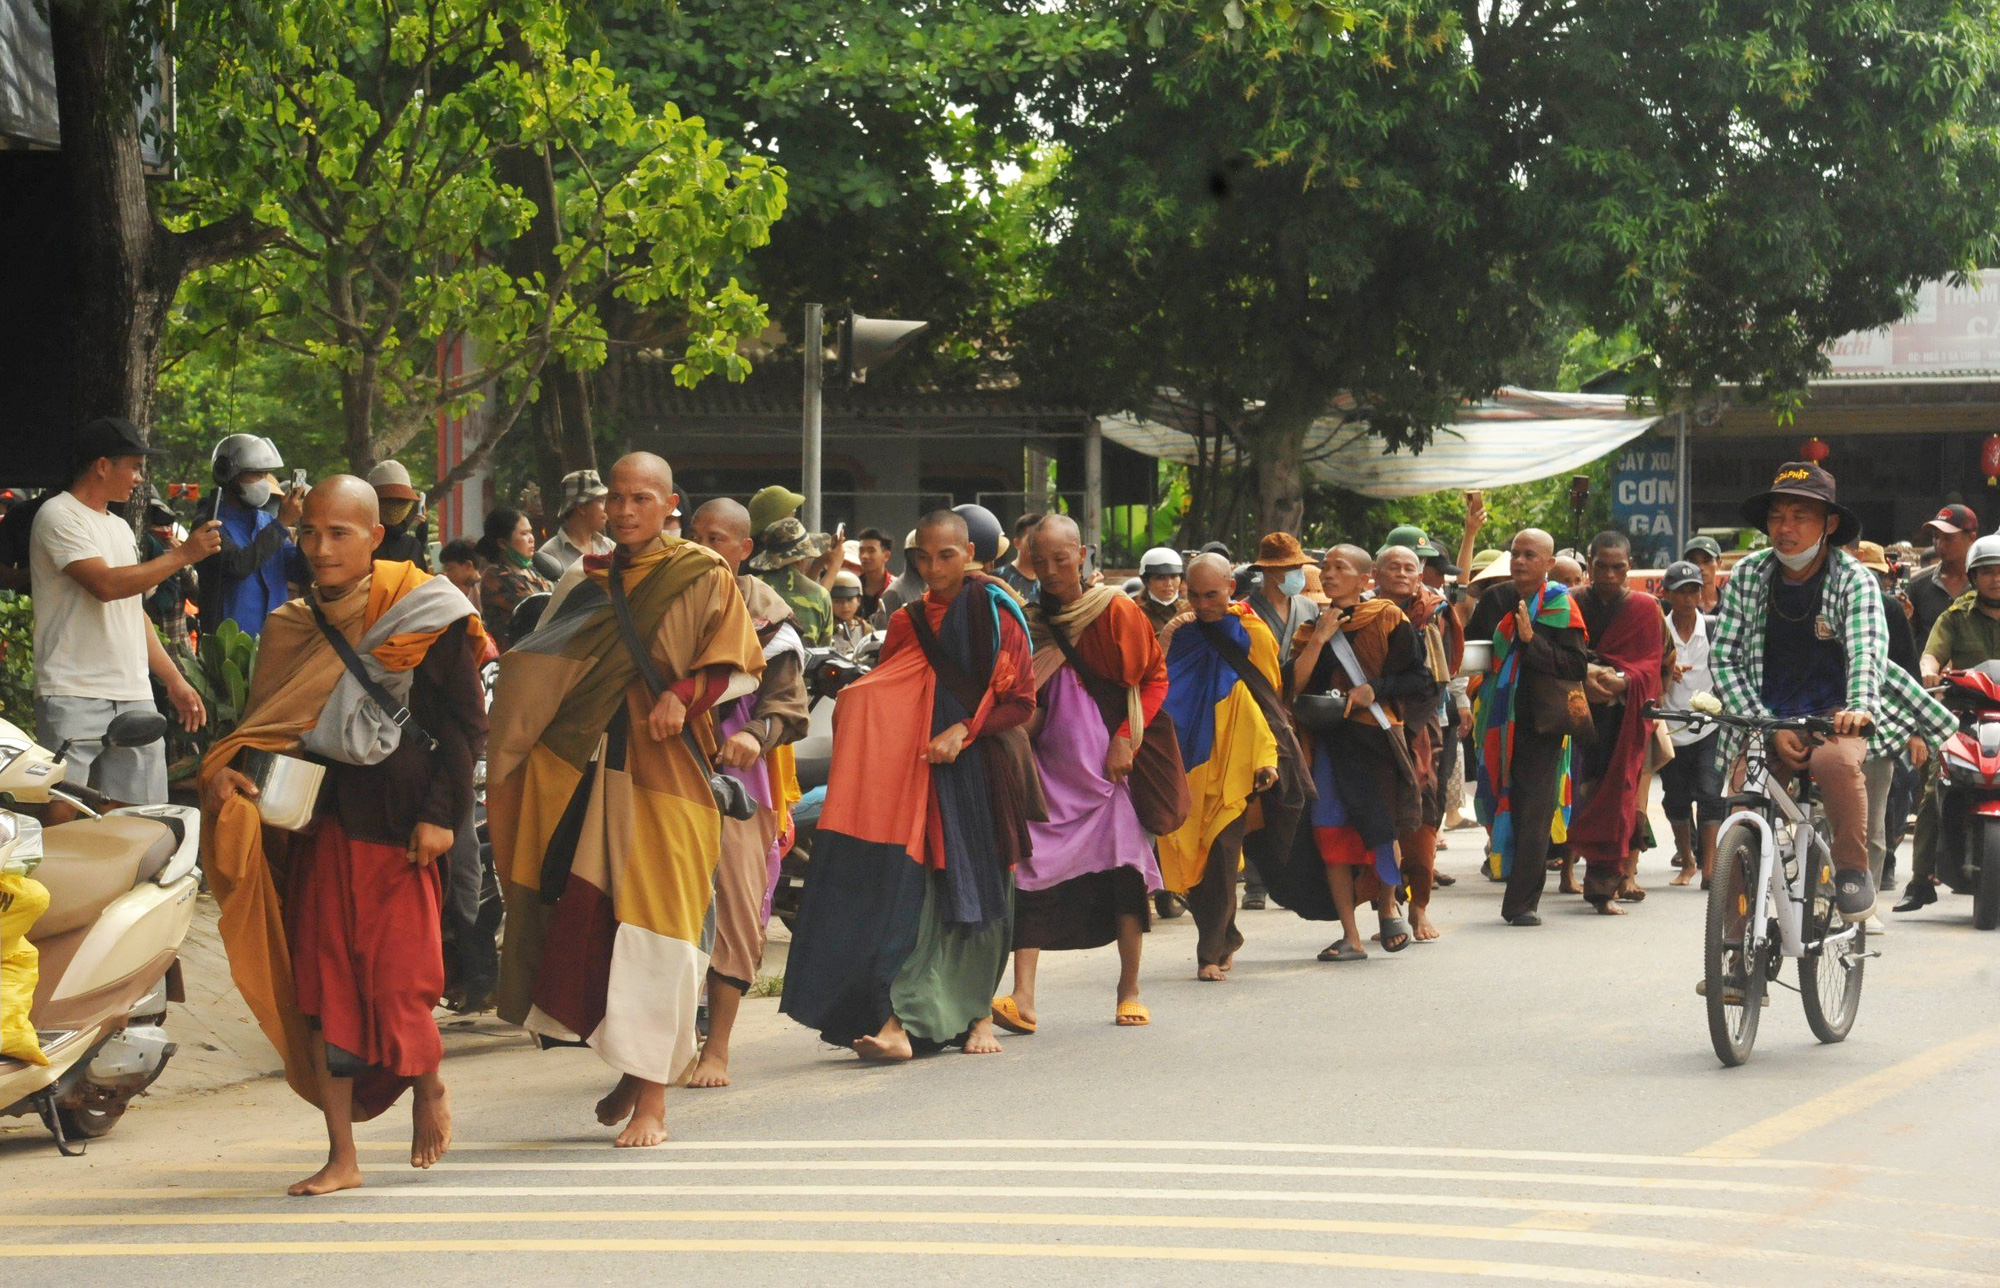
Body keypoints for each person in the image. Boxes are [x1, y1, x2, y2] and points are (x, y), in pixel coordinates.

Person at [199, 476, 487, 1195]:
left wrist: (442, 817)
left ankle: (428, 1083)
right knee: (322, 992)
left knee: (398, 982)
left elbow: (463, 725)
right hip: (319, 825)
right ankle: (342, 1156)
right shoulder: (292, 625)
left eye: (340, 533)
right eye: (311, 532)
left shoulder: (426, 610)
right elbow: (268, 726)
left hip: (400, 826)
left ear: (374, 539)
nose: (321, 547)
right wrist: (230, 773)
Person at [488, 453, 764, 1147]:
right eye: (616, 497)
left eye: (642, 497)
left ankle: (653, 1104)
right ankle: (632, 1071)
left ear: (670, 503)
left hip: (671, 776)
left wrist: (680, 695)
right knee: (595, 921)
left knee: (662, 929)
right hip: (588, 769)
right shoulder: (585, 580)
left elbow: (736, 663)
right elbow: (542, 662)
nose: (626, 509)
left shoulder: (702, 573)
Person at [780, 510, 1038, 1059]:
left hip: (982, 770)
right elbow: (898, 691)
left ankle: (976, 1016)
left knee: (986, 892)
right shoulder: (906, 621)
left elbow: (1020, 703)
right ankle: (899, 1021)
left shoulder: (997, 612)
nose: (937, 566)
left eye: (949, 554)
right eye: (926, 557)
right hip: (920, 774)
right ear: (914, 560)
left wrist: (964, 732)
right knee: (920, 894)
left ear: (969, 553)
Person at [1710, 462, 1952, 924]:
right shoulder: (1746, 575)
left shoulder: (1854, 579)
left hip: (1836, 715)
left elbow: (1867, 652)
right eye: (1778, 516)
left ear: (1830, 524)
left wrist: (1859, 707)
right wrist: (1766, 723)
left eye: (1800, 516)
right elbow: (1723, 658)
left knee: (1836, 764)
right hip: (1766, 716)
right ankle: (1734, 954)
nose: (1786, 528)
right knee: (1741, 811)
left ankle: (1852, 871)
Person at [993, 515, 1167, 1033]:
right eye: (1039, 561)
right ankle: (1022, 995)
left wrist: (1123, 741)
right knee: (1032, 872)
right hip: (1051, 772)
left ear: (1083, 553)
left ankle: (1128, 988)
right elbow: (1030, 694)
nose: (1050, 570)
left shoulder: (1114, 609)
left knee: (1124, 879)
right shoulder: (1032, 618)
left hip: (1113, 775)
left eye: (1061, 559)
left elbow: (1153, 680)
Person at [684, 498, 810, 1088]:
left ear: (744, 550)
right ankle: (662, 1046)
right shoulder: (660, 602)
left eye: (719, 539)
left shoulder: (768, 619)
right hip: (665, 773)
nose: (706, 547)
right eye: (695, 535)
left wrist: (756, 735)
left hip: (740, 787)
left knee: (733, 909)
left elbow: (787, 706)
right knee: (657, 913)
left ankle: (719, 1047)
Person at [31, 418, 216, 808]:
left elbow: (135, 614)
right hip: (72, 690)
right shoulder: (58, 514)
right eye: (133, 466)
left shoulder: (119, 527)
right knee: (65, 809)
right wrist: (182, 555)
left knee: (140, 817)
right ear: (102, 465)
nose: (138, 478)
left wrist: (174, 680)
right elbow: (106, 586)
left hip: (134, 693)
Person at [1156, 554, 1304, 979]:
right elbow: (1153, 683)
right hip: (1185, 759)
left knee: (1221, 854)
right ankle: (1227, 934)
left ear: (1231, 590)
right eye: (1194, 595)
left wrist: (1266, 759)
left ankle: (1209, 953)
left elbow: (1266, 698)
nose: (1202, 604)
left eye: (1212, 595)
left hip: (1236, 759)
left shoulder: (1252, 633)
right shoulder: (1180, 635)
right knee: (1195, 854)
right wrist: (1165, 637)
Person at [1288, 545, 1425, 959]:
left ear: (1364, 580)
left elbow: (1419, 677)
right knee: (1329, 831)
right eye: (1325, 568)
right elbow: (1293, 684)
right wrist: (1322, 638)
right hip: (1328, 743)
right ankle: (1350, 935)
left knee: (1381, 826)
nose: (1328, 575)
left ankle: (1387, 906)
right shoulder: (1312, 626)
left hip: (1374, 739)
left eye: (1339, 568)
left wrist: (1374, 691)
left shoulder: (1386, 618)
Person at [1467, 528, 1589, 926]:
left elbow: (1575, 666)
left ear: (1548, 564)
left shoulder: (1559, 604)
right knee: (1503, 798)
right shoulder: (1496, 599)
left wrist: (1530, 639)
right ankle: (1504, 867)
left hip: (1542, 723)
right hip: (1499, 719)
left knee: (1534, 810)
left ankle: (1521, 902)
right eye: (1515, 553)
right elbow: (1474, 651)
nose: (1519, 561)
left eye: (1530, 555)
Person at [1898, 532, 2000, 911]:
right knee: (1933, 786)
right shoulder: (1956, 616)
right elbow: (1931, 655)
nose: (1995, 578)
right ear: (1974, 577)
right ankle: (1922, 879)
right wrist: (1928, 670)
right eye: (1987, 572)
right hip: (1966, 716)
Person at [1566, 531, 1665, 914]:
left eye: (1618, 567)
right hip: (1573, 711)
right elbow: (1558, 652)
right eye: (1600, 566)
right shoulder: (1571, 601)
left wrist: (1622, 680)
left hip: (1620, 716)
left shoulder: (1644, 607)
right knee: (1577, 794)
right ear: (1588, 565)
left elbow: (1650, 664)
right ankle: (1556, 873)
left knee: (1616, 798)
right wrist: (1586, 672)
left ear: (1629, 567)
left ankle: (1604, 886)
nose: (1609, 575)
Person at [1371, 540, 1461, 940]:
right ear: (1376, 575)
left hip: (1425, 728)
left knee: (1423, 814)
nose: (1404, 575)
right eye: (1394, 567)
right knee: (1379, 817)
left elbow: (1440, 673)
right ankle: (1386, 905)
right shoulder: (1361, 613)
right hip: (1371, 723)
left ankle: (1419, 906)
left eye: (1411, 568)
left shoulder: (1434, 611)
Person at [193, 432, 306, 637]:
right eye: (256, 475)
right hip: (228, 646)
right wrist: (281, 523)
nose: (263, 482)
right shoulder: (209, 523)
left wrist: (309, 529)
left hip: (273, 641)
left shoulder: (267, 522)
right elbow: (238, 565)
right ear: (229, 473)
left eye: (265, 475)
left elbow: (298, 570)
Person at [1657, 561, 1724, 888]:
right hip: (1670, 729)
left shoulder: (1713, 628)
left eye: (1694, 590)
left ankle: (1710, 869)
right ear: (1666, 594)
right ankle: (1687, 860)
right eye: (1681, 592)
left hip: (1709, 728)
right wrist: (1666, 669)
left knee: (1711, 794)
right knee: (1676, 799)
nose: (1688, 598)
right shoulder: (1658, 630)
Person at [750, 515, 834, 647]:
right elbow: (824, 648)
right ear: (801, 559)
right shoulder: (820, 595)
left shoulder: (751, 587)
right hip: (805, 666)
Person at [476, 508, 551, 650]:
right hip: (515, 656)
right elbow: (537, 609)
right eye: (524, 533)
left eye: (530, 531)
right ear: (503, 543)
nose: (532, 538)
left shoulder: (536, 570)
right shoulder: (495, 577)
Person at [1906, 503, 1977, 652]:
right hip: (1929, 673)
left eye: (1948, 538)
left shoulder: (1987, 582)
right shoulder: (1918, 584)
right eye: (1936, 537)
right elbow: (1908, 637)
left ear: (1971, 537)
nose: (1940, 545)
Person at [1242, 532, 1319, 666]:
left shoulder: (1309, 607)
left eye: (1299, 567)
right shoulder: (1243, 611)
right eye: (1291, 567)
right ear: (1268, 570)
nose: (1298, 572)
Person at [534, 469, 613, 579]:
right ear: (581, 507)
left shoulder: (609, 546)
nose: (607, 508)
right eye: (601, 501)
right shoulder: (549, 555)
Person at [367, 461, 429, 566]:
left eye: (400, 501)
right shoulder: (360, 542)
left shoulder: (412, 545)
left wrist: (420, 543)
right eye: (386, 501)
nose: (393, 508)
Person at [870, 528, 926, 630]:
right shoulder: (894, 594)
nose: (926, 559)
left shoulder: (931, 588)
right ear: (909, 555)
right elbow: (881, 637)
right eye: (920, 554)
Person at [1134, 546, 1188, 637]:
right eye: (1160, 578)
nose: (1168, 583)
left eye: (1174, 576)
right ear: (1145, 580)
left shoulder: (1192, 610)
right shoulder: (1137, 613)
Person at [997, 512, 1043, 602]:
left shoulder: (1047, 580)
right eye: (1032, 541)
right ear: (1017, 543)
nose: (1038, 546)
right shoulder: (999, 579)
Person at [854, 527, 896, 618]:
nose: (864, 556)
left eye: (871, 551)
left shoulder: (895, 589)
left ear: (886, 556)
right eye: (861, 551)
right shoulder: (854, 586)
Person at [829, 570, 870, 656]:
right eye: (837, 601)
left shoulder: (866, 629)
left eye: (850, 599)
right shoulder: (826, 630)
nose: (845, 606)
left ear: (858, 600)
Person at [1682, 536, 1725, 614]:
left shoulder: (1731, 602)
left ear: (1719, 564)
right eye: (1694, 562)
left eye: (1707, 561)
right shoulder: (1679, 603)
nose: (1700, 567)